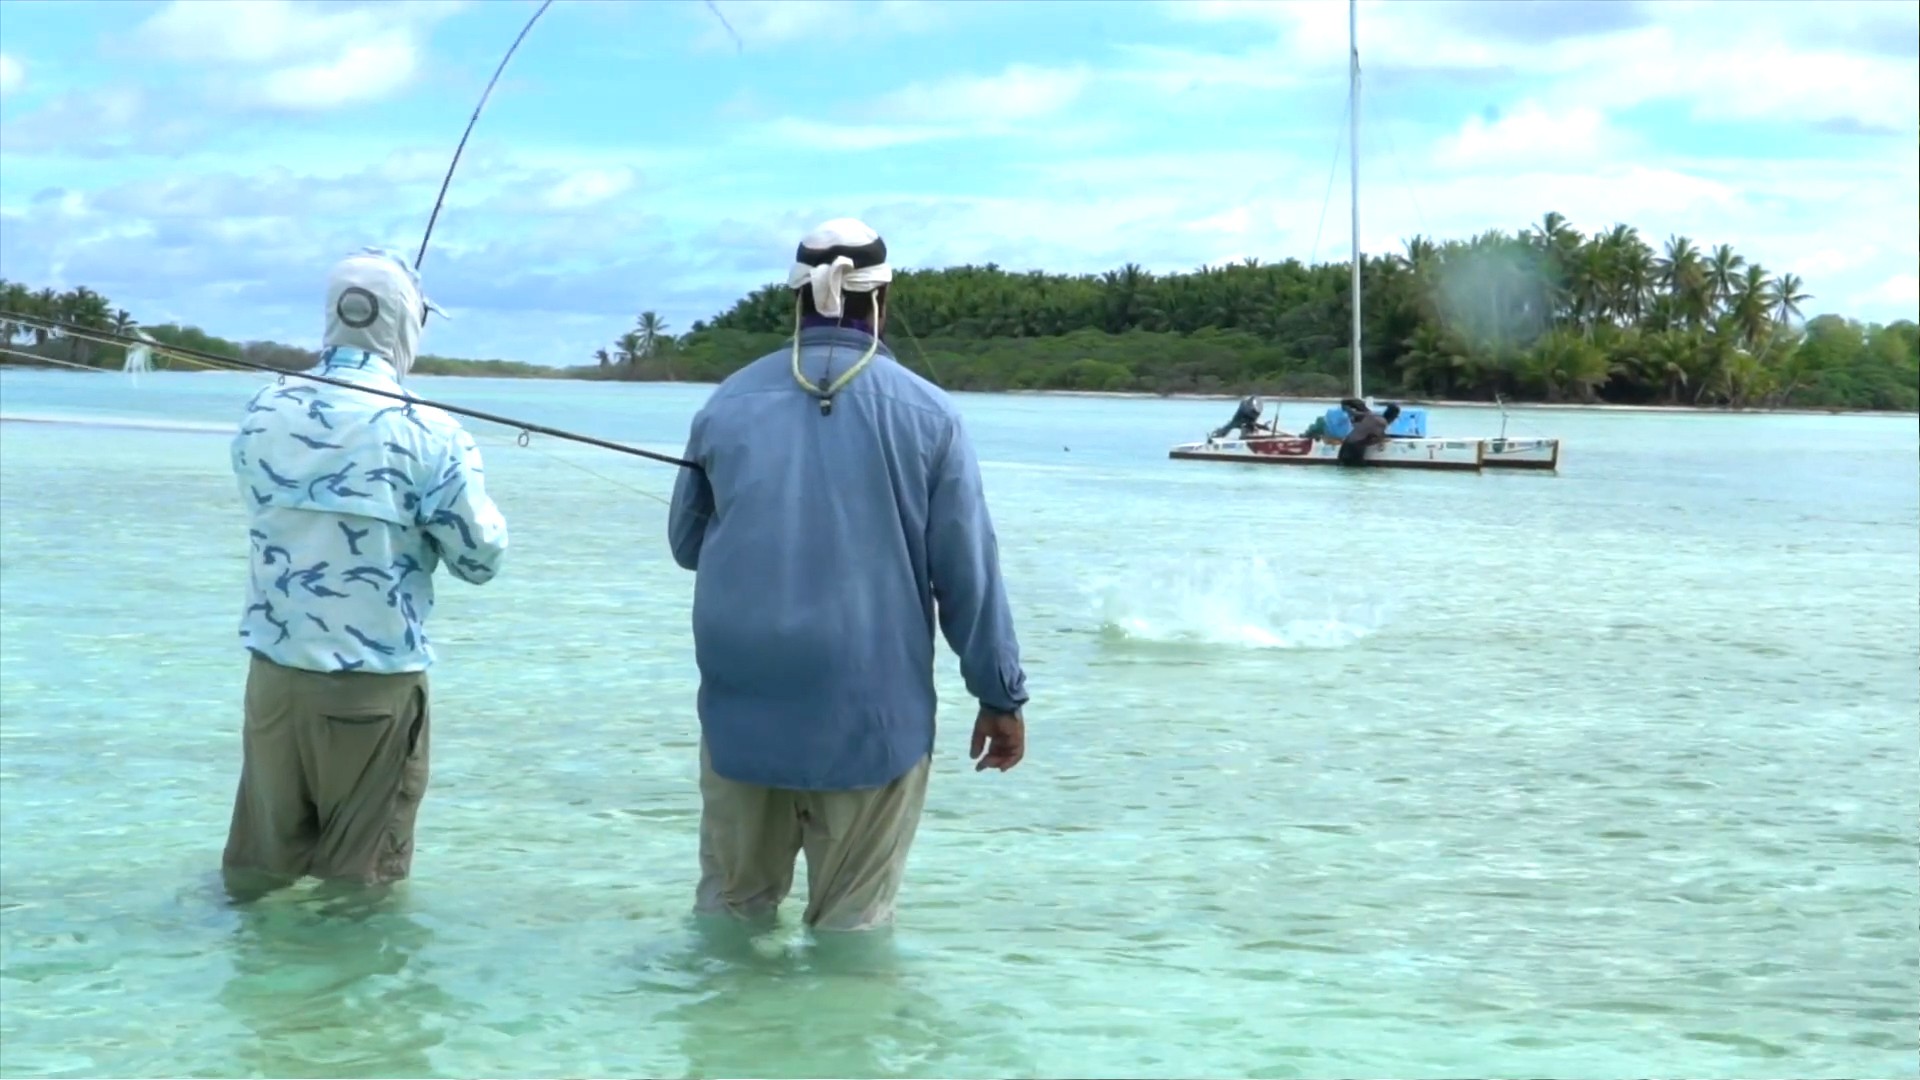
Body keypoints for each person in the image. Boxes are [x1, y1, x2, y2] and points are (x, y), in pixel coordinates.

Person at [667, 217, 1029, 933]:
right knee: (850, 933)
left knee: (730, 921)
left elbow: (686, 544)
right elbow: (968, 577)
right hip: (871, 719)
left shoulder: (725, 403)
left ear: (794, 299)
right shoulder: (932, 416)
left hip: (742, 711)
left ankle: (720, 1041)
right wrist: (999, 693)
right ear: (881, 302)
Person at [221, 247, 508, 899]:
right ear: (406, 322)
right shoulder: (432, 433)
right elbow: (480, 559)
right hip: (372, 692)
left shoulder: (262, 410)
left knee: (258, 876)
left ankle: (256, 995)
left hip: (273, 678)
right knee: (359, 893)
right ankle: (343, 999)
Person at [1337, 401, 1400, 466]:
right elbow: (1374, 437)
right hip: (1355, 446)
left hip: (1346, 443)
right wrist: (1381, 441)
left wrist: (1346, 408)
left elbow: (1354, 413)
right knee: (1357, 470)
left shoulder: (1372, 415)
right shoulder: (1383, 423)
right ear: (1393, 417)